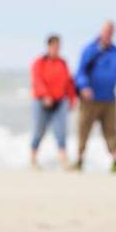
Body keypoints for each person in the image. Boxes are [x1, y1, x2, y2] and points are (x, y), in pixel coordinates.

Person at [73, 20, 116, 174]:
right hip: (90, 99)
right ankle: (79, 160)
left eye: (111, 32)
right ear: (101, 32)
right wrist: (84, 86)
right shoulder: (90, 49)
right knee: (84, 129)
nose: (108, 35)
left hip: (109, 99)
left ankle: (115, 161)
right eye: (106, 31)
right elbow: (80, 72)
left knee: (111, 130)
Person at [30, 34, 77, 169]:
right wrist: (45, 95)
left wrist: (72, 99)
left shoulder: (63, 63)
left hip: (60, 101)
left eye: (58, 46)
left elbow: (69, 83)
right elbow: (37, 80)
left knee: (61, 131)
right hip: (42, 101)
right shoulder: (39, 62)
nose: (56, 49)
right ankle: (33, 159)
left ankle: (64, 161)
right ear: (49, 46)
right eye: (54, 46)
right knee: (39, 130)